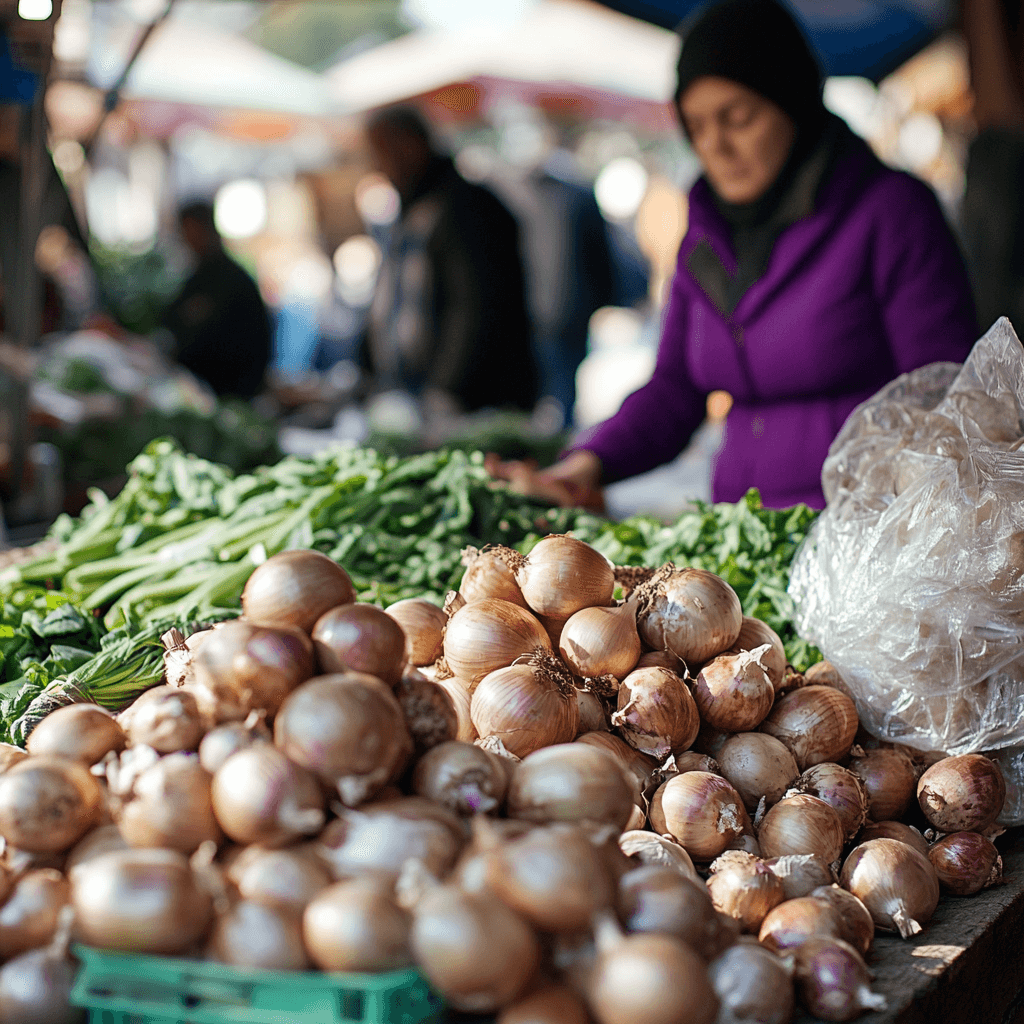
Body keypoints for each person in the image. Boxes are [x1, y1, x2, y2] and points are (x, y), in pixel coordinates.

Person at [492, 0, 978, 511]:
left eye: (738, 117)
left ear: (791, 102)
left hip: (863, 529)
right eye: (696, 125)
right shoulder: (704, 234)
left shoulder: (890, 212)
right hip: (741, 533)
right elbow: (674, 390)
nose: (715, 145)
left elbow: (941, 394)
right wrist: (584, 464)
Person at [362, 106, 538, 416]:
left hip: (473, 400)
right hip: (419, 393)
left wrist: (447, 390)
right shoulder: (412, 211)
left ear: (412, 145)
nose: (377, 165)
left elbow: (477, 306)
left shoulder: (467, 208)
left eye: (381, 151)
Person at [163, 202, 272, 401]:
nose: (185, 239)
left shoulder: (227, 279)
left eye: (190, 231)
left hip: (233, 391)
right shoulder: (203, 275)